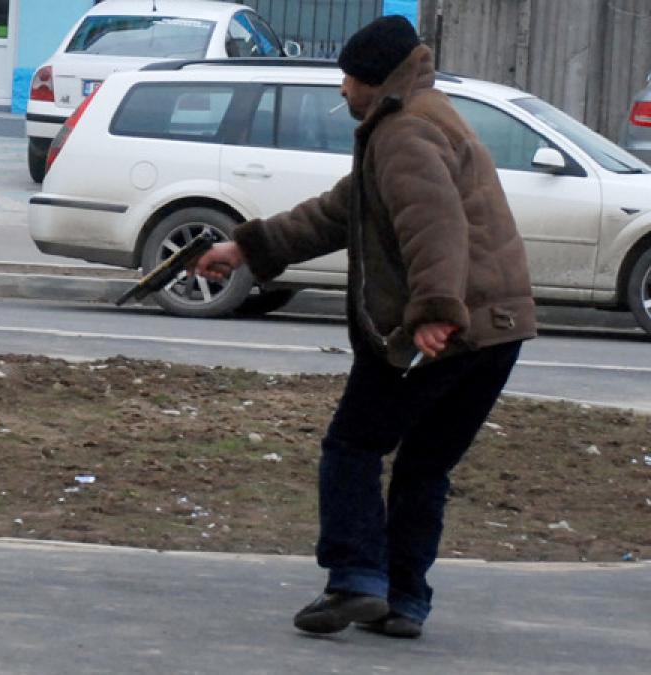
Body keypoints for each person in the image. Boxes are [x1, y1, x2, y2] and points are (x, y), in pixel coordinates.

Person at [191, 15, 536, 638]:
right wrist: (249, 248)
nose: (342, 90)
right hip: (498, 331)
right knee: (423, 469)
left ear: (375, 80)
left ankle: (355, 580)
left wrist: (433, 313)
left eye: (347, 78)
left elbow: (435, 225)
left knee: (351, 448)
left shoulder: (404, 132)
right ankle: (404, 602)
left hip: (443, 333)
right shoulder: (423, 118)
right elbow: (336, 212)